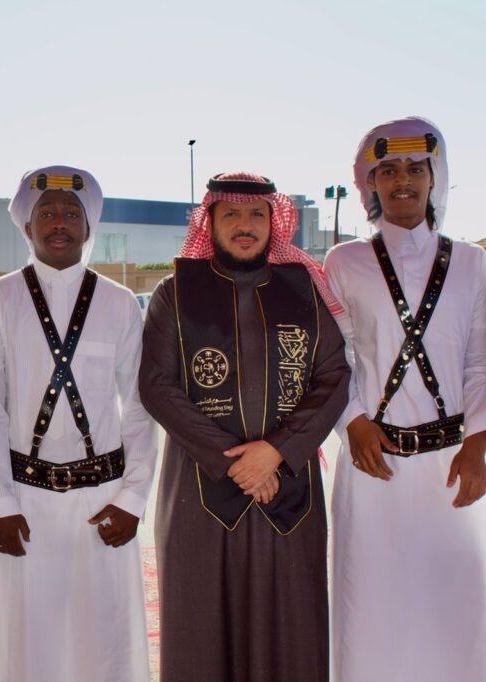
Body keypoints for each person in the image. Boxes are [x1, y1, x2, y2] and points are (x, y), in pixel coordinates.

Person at [139, 171, 350, 681]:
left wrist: (275, 451)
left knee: (290, 628)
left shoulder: (303, 291)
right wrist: (234, 461)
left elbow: (333, 376)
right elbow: (157, 386)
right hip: (199, 494)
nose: (245, 224)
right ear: (208, 222)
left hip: (289, 490)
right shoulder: (175, 293)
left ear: (274, 222)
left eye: (257, 214)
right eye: (231, 213)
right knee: (201, 627)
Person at [0, 165, 156, 682]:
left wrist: (133, 498)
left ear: (88, 225)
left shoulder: (119, 303)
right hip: (24, 503)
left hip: (104, 502)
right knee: (30, 644)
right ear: (26, 226)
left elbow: (140, 407)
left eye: (71, 213)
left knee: (106, 643)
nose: (58, 223)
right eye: (46, 213)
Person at [325, 117, 486, 682]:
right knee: (371, 613)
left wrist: (480, 442)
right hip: (374, 468)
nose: (402, 181)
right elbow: (333, 360)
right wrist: (353, 422)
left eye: (416, 169)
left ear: (433, 178)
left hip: (453, 467)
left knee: (455, 611)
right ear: (370, 183)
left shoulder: (472, 263)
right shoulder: (343, 262)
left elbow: (480, 362)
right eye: (388, 170)